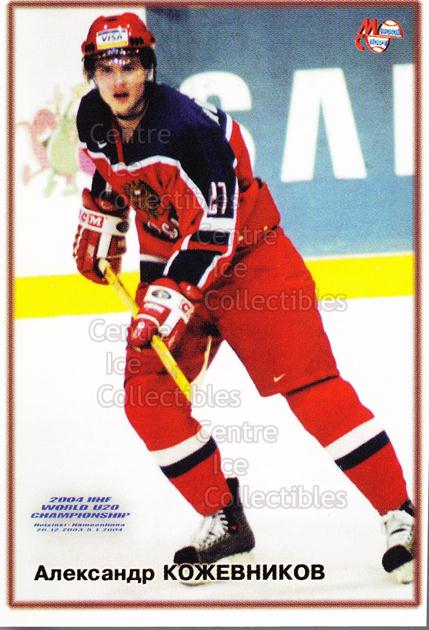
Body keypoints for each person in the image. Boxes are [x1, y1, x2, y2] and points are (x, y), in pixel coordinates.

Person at [73, 12, 414, 583]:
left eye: (128, 65)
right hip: (175, 270)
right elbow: (113, 172)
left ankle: (401, 514)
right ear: (92, 75)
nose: (118, 80)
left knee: (312, 392)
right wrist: (104, 215)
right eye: (105, 69)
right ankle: (224, 516)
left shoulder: (188, 129)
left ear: (149, 67)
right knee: (146, 394)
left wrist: (173, 294)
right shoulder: (92, 117)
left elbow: (218, 227)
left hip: (252, 268)